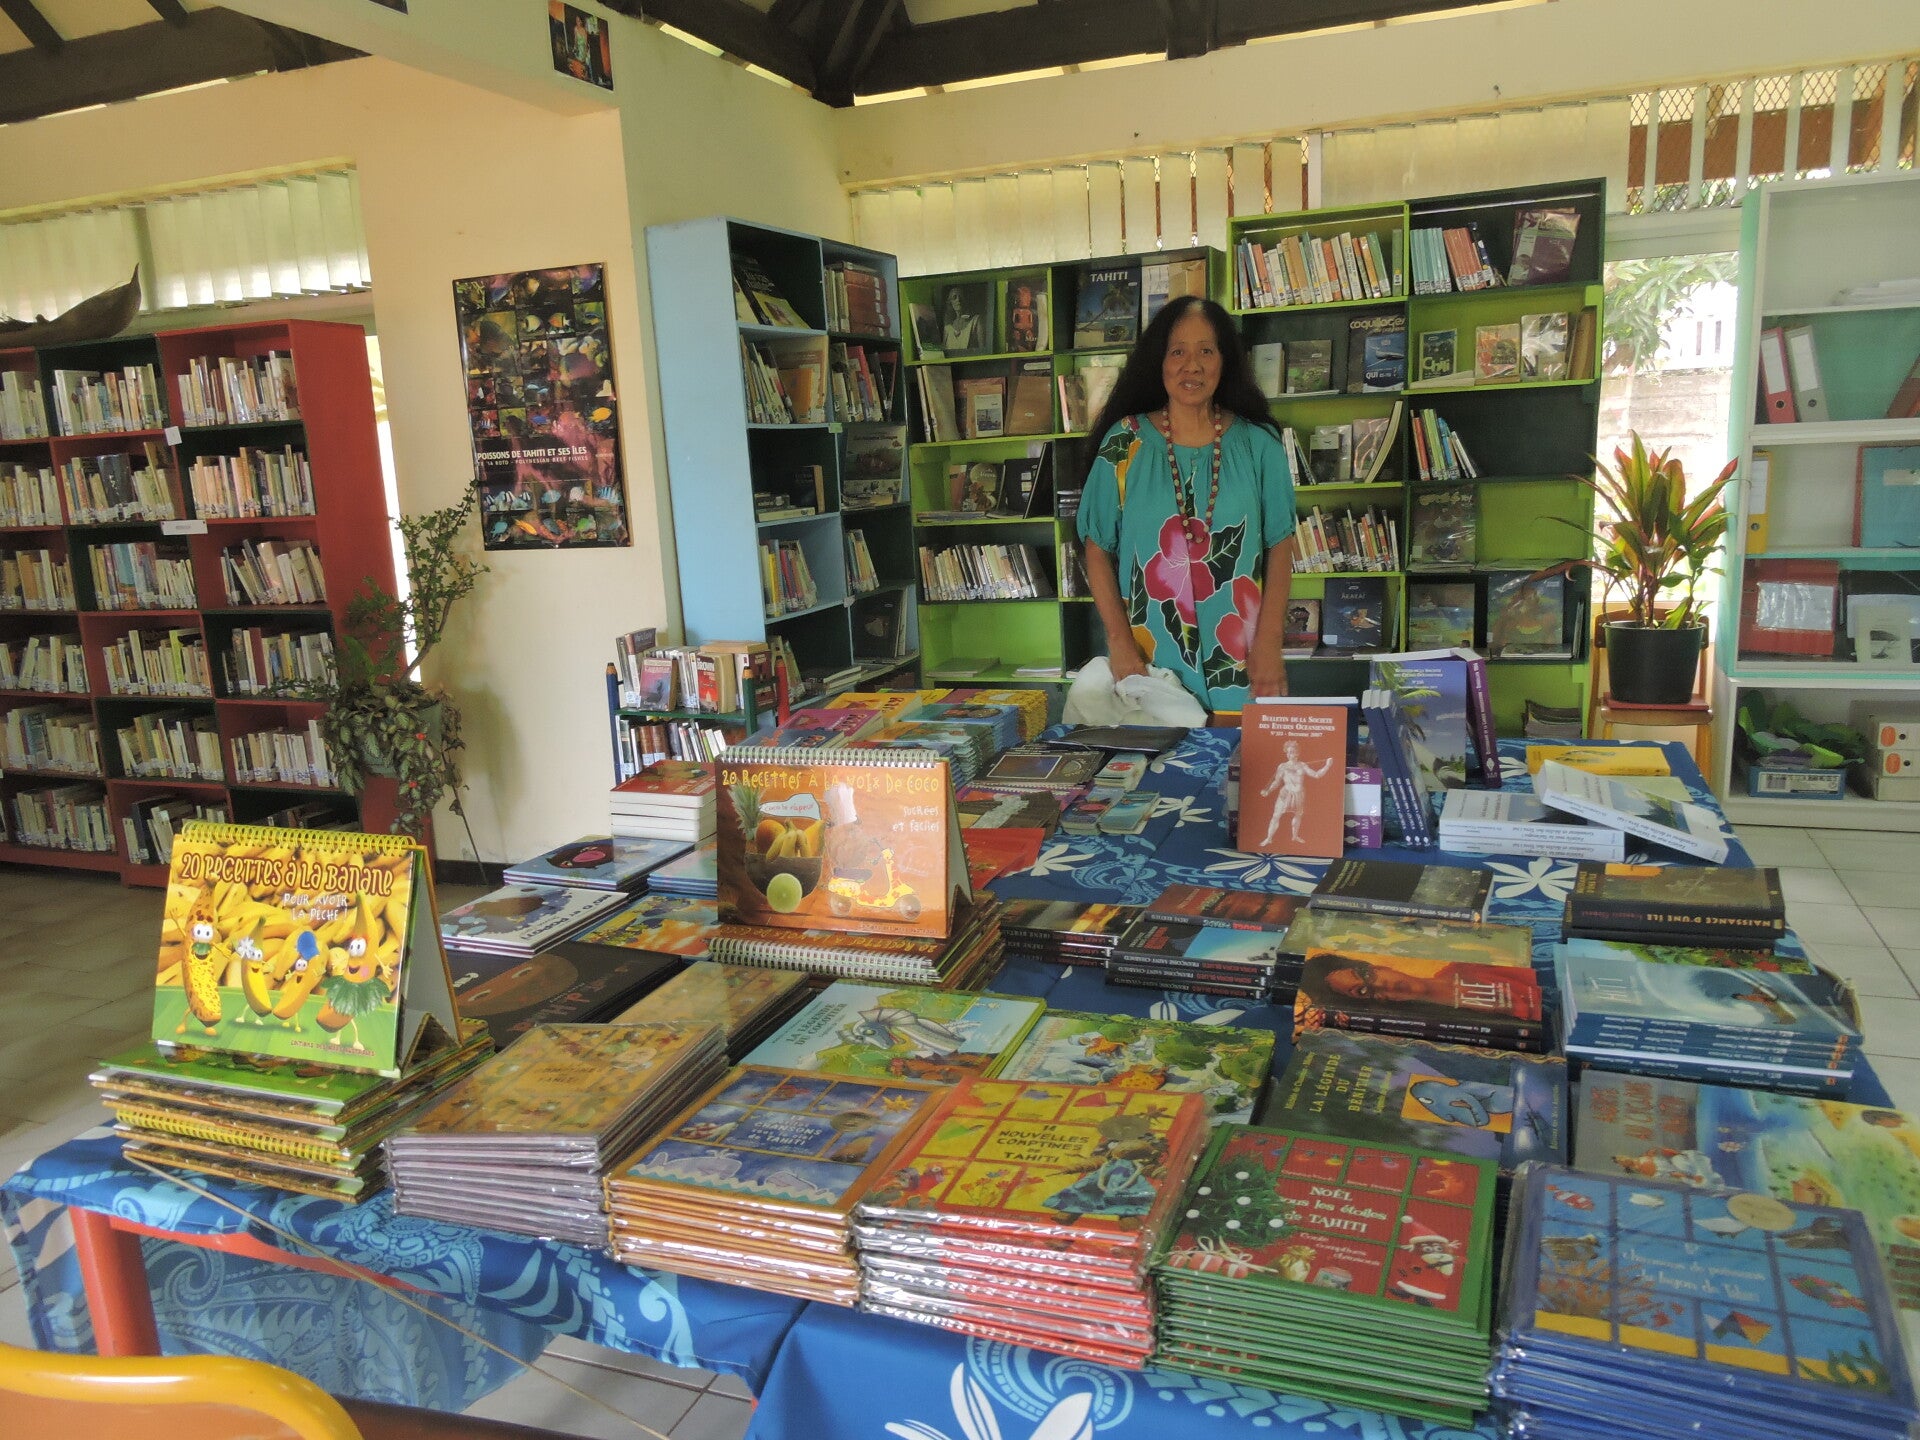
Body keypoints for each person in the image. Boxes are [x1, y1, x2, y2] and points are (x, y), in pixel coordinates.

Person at [1077, 296, 1296, 715]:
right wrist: (1120, 646)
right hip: (1149, 665)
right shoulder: (1124, 443)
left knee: (1238, 776)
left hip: (1242, 662)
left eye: (1206, 351)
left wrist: (1269, 645)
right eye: (1177, 351)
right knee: (1160, 777)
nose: (1191, 365)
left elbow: (1280, 546)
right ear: (1159, 362)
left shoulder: (1260, 445)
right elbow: (1097, 547)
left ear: (1224, 361)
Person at [1256, 738, 1333, 848]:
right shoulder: (1282, 766)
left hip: (1299, 795)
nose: (1289, 754)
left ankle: (1295, 836)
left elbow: (1316, 775)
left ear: (1297, 753)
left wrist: (1327, 766)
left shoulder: (1302, 766)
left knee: (1298, 816)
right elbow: (1276, 782)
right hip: (1285, 793)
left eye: (1291, 752)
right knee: (1276, 816)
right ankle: (1269, 838)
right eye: (1287, 752)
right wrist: (1268, 791)